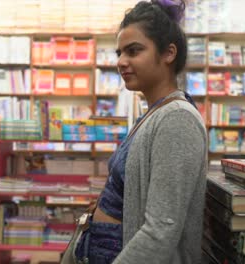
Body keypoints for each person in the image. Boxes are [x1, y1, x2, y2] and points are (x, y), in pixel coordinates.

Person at [73, 0, 208, 263]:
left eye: (134, 51)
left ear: (168, 53)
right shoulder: (154, 113)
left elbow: (161, 228)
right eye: (119, 53)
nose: (122, 62)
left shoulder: (177, 119)